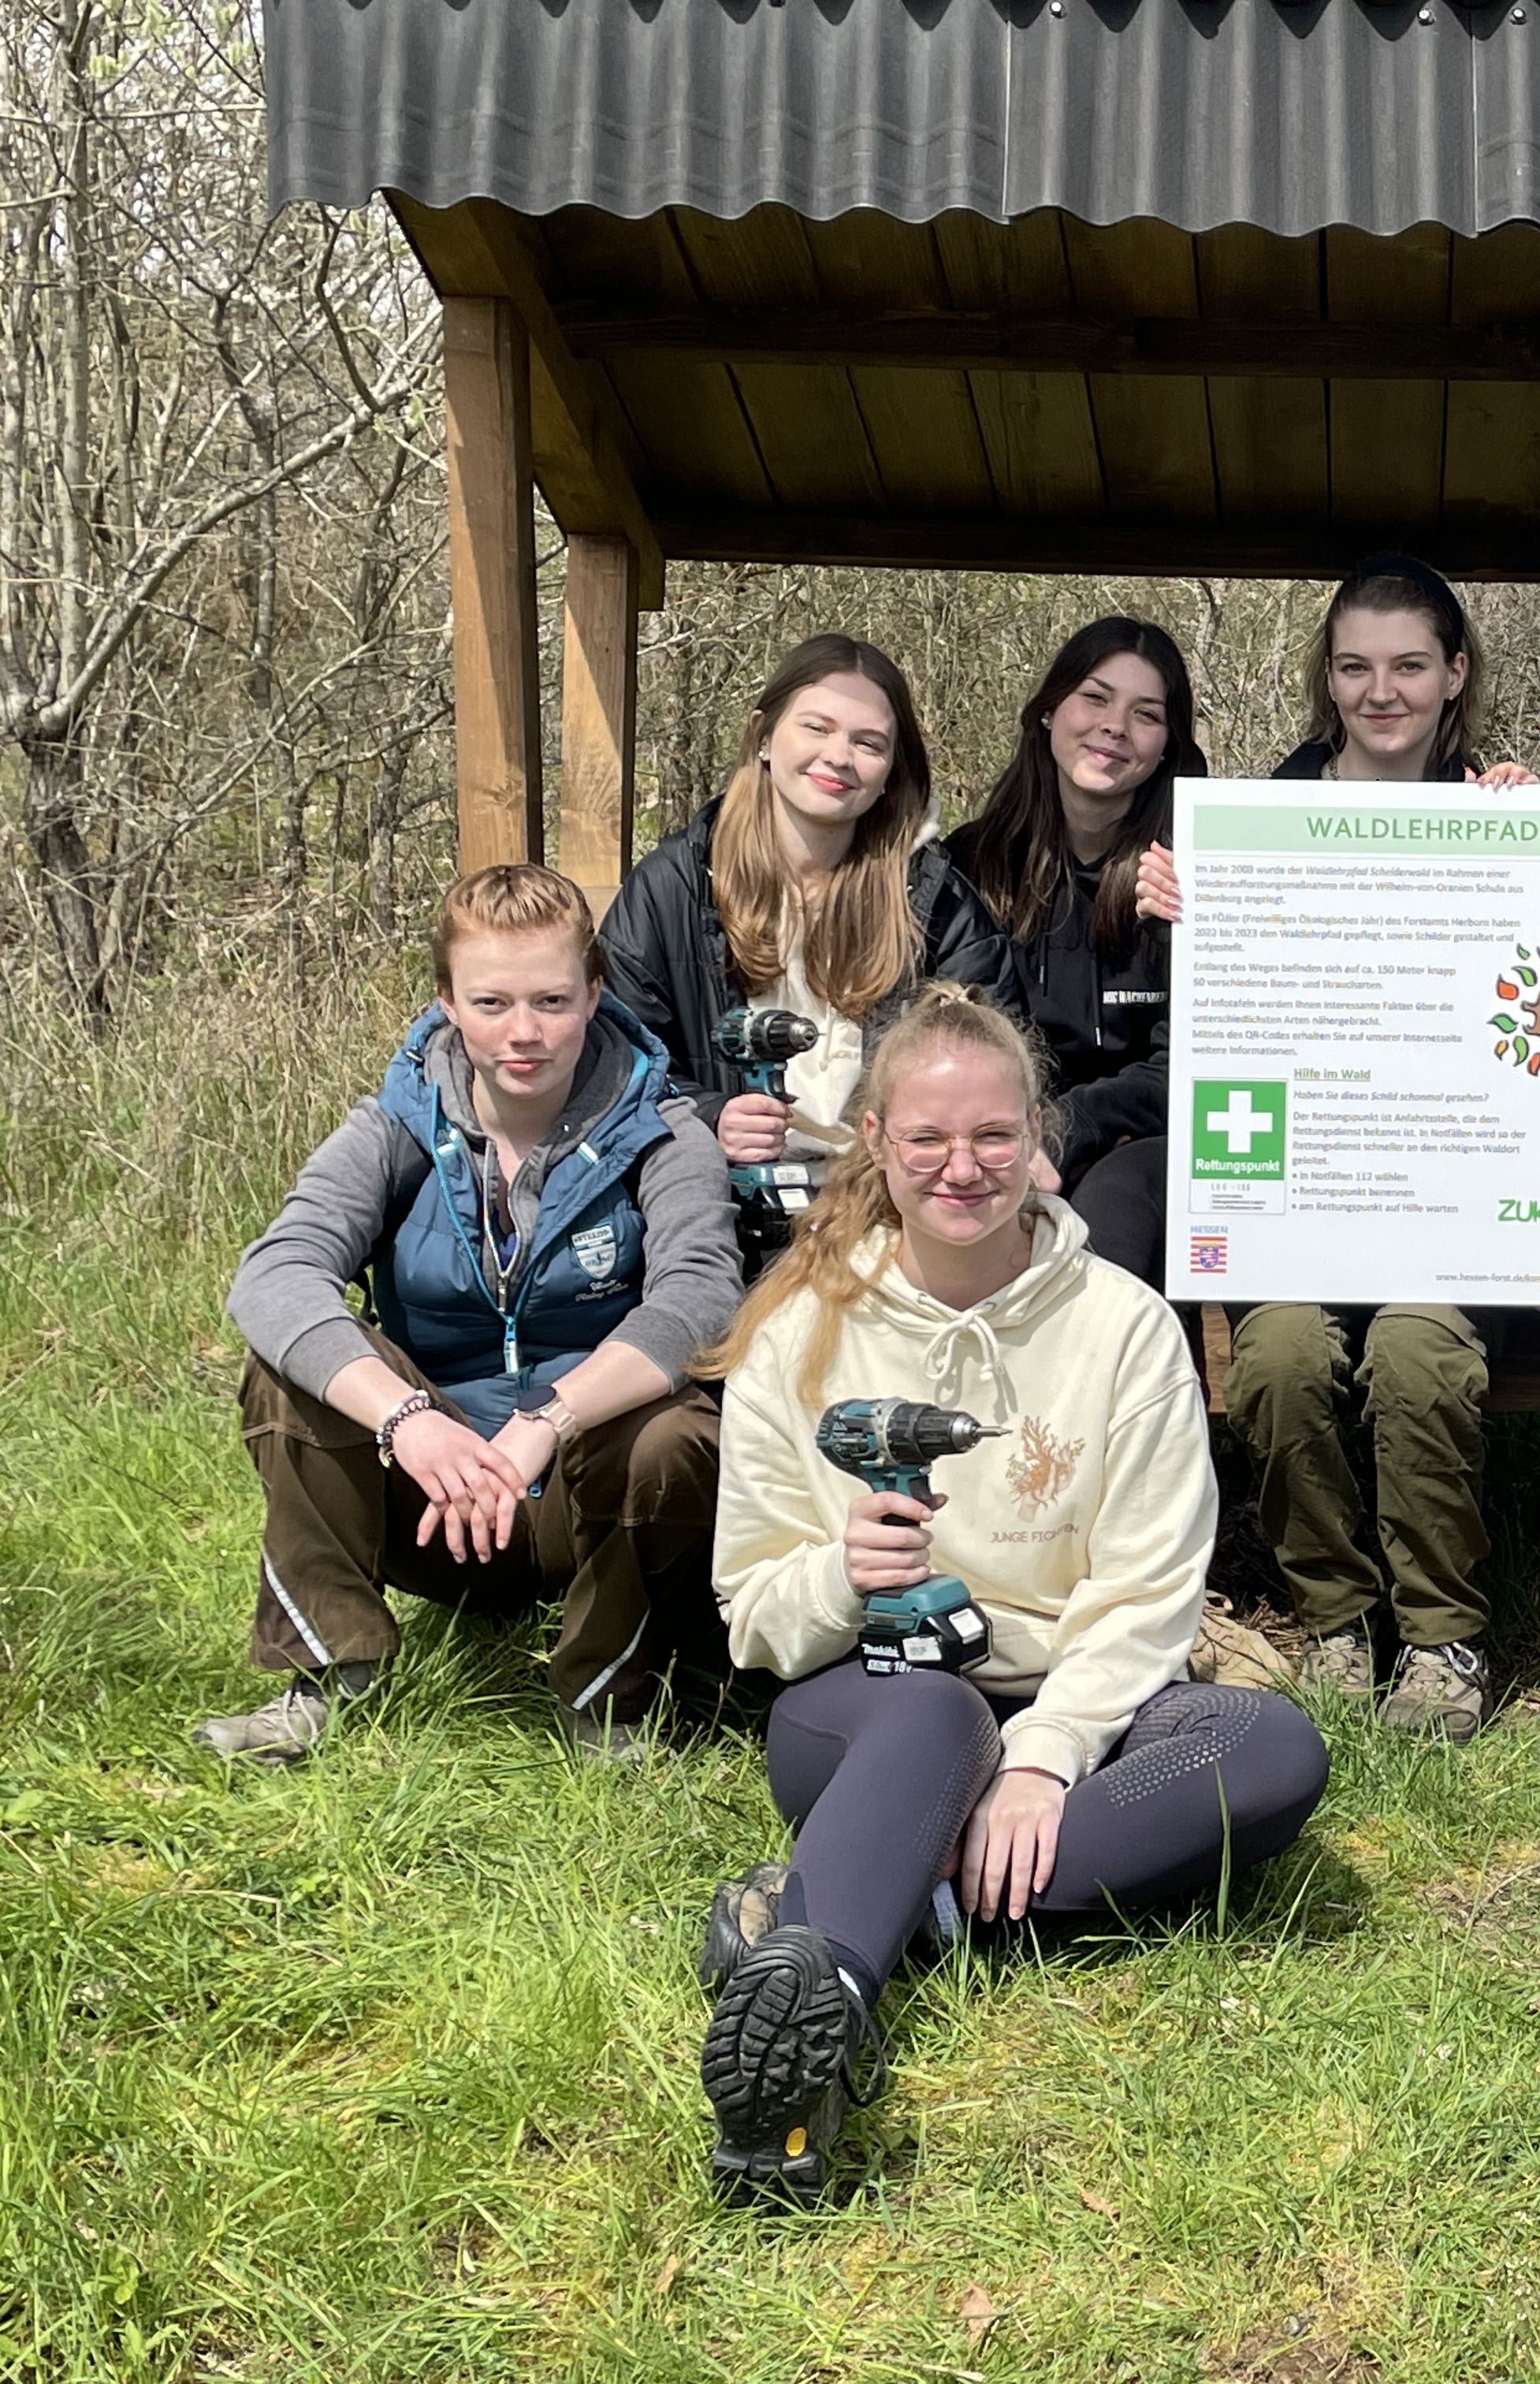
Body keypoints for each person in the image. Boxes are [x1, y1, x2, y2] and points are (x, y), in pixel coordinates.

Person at [694, 987, 1328, 2203]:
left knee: (1270, 1749)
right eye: (926, 1139)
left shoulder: (1125, 1327)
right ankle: (814, 2032)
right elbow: (752, 1612)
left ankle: (841, 1916)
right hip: (875, 1704)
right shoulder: (798, 1332)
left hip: (1077, 1691)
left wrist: (1045, 1756)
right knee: (938, 1718)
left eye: (992, 1136)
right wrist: (842, 1576)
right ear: (875, 1140)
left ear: (1037, 1133)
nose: (962, 1167)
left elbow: (1147, 1591)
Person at [195, 865, 736, 1766]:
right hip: (427, 1499)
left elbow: (699, 1298)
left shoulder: (664, 1133)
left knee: (674, 1431)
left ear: (595, 993)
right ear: (447, 1001)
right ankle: (329, 1673)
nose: (523, 1032)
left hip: (579, 1493)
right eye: (492, 1002)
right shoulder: (396, 1126)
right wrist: (407, 1421)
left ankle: (612, 1699)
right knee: (285, 1369)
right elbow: (275, 1273)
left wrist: (548, 1420)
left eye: (552, 1000)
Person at [1215, 555, 1533, 1740]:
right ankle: (1337, 1620)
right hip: (1295, 1195)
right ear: (1327, 678)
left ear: (1455, 675)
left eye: (1409, 665)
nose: (1381, 691)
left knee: (1417, 1357)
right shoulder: (1252, 825)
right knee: (1284, 1357)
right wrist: (1174, 904)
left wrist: (1536, 844)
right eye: (1355, 666)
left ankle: (1444, 1640)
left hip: (1443, 1208)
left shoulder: (1503, 811)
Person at [599, 634, 1029, 1271]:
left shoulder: (934, 901)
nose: (840, 756)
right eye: (817, 727)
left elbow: (999, 1055)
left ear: (891, 773)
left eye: (869, 743)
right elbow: (615, 1056)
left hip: (891, 1203)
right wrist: (712, 1115)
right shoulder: (675, 886)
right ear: (764, 738)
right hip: (723, 1207)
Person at [945, 616, 1199, 1287]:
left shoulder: (1190, 876)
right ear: (1049, 709)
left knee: (1111, 1211)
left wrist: (1069, 1126)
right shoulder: (961, 869)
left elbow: (1195, 1061)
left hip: (1142, 1144)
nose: (1115, 726)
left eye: (1146, 713)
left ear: (1168, 746)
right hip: (999, 1140)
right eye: (1096, 697)